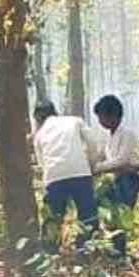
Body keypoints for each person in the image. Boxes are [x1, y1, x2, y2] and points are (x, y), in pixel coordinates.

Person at [32, 100, 98, 252]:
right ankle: (85, 250)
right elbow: (93, 142)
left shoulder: (39, 135)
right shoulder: (74, 121)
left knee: (53, 218)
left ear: (38, 118)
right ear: (55, 111)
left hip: (54, 177)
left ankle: (50, 254)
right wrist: (90, 163)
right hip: (80, 173)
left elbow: (42, 163)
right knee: (87, 214)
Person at [93, 95, 139, 257]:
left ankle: (120, 254)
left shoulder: (127, 134)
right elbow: (102, 156)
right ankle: (113, 251)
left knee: (122, 217)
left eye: (102, 117)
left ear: (113, 115)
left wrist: (98, 168)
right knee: (110, 217)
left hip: (127, 180)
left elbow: (122, 160)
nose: (100, 122)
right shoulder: (108, 136)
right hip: (112, 181)